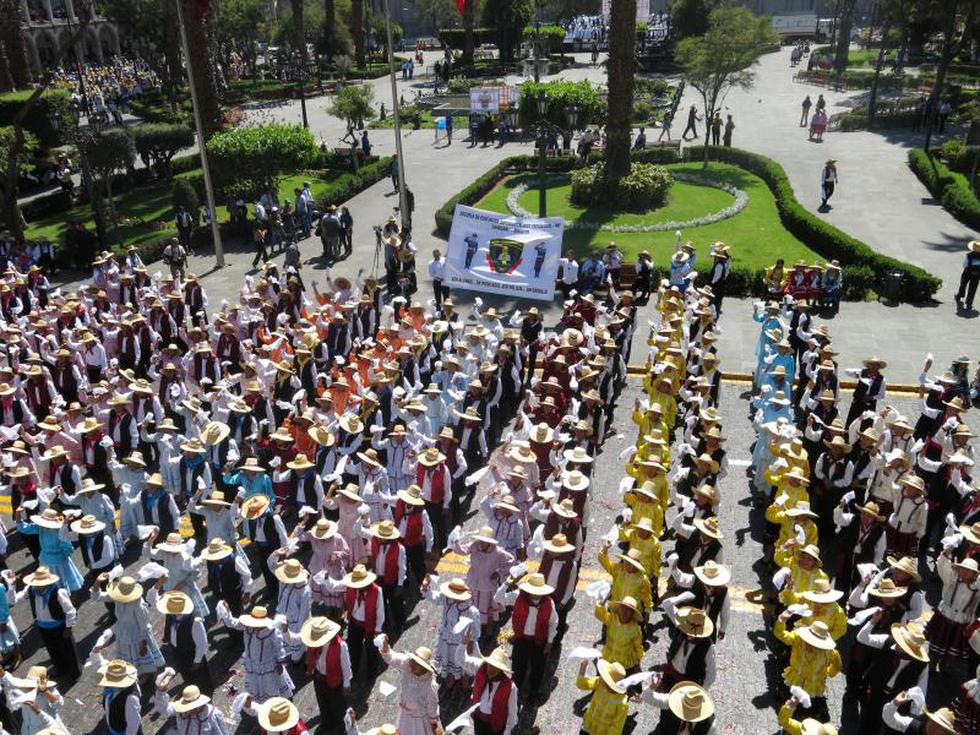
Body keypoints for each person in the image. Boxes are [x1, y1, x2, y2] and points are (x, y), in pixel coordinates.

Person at [956, 240, 980, 311]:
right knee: (972, 289)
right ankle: (969, 303)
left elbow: (964, 265)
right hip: (977, 275)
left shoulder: (969, 255)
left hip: (967, 273)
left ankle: (960, 295)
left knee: (963, 284)